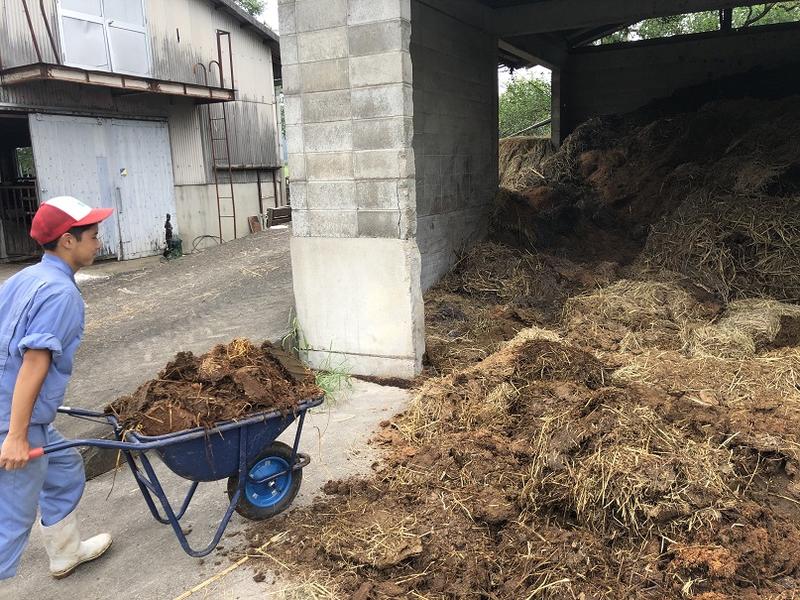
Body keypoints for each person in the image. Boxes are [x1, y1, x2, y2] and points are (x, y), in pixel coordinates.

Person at [0, 196, 114, 580]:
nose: (98, 243)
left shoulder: (24, 278)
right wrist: (16, 436)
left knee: (64, 469)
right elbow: (35, 363)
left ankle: (65, 553)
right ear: (68, 240)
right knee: (9, 522)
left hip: (23, 412)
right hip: (14, 420)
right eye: (93, 236)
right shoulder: (61, 294)